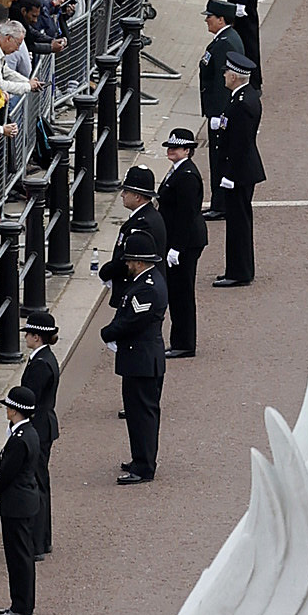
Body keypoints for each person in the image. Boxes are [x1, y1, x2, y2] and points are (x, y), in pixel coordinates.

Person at [200, 9, 263, 287]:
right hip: (240, 171)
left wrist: (229, 173)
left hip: (240, 172)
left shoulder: (243, 104)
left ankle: (239, 271)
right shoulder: (241, 98)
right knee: (237, 223)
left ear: (236, 76)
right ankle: (237, 269)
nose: (224, 74)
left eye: (227, 72)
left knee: (239, 224)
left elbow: (240, 143)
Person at [102, 254, 166, 485]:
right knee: (137, 413)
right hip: (139, 359)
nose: (127, 265)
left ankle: (145, 466)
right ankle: (140, 458)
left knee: (143, 416)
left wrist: (107, 333)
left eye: (130, 262)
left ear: (139, 263)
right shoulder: (146, 281)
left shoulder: (147, 288)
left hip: (142, 360)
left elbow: (132, 320)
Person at [0, 387, 46, 615]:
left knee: (18, 557)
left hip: (17, 504)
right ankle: (21, 603)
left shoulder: (19, 440)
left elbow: (6, 472)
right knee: (21, 555)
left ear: (14, 410)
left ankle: (21, 606)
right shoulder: (28, 433)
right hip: (25, 500)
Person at [156, 133, 206, 361]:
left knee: (182, 293)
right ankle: (180, 340)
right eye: (170, 147)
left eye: (177, 148)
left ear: (188, 150)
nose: (171, 151)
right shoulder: (177, 170)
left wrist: (176, 247)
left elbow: (186, 214)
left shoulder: (186, 176)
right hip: (179, 240)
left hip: (184, 243)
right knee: (177, 292)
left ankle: (184, 343)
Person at [17, 309, 60, 559]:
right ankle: (42, 539)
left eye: (28, 334)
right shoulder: (44, 358)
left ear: (36, 337)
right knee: (40, 482)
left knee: (35, 484)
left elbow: (29, 400)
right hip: (44, 426)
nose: (26, 338)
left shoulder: (40, 364)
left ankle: (36, 542)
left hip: (38, 428)